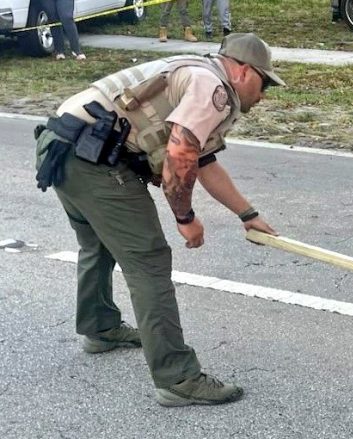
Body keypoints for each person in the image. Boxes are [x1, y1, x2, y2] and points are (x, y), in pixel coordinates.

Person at [34, 33, 285, 407]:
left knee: (98, 244)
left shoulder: (194, 70)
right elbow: (180, 155)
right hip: (93, 160)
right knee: (149, 261)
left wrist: (247, 215)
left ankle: (100, 327)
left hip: (61, 147)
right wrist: (185, 217)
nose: (263, 96)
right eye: (264, 84)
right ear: (244, 72)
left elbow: (203, 161)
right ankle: (177, 378)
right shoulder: (212, 87)